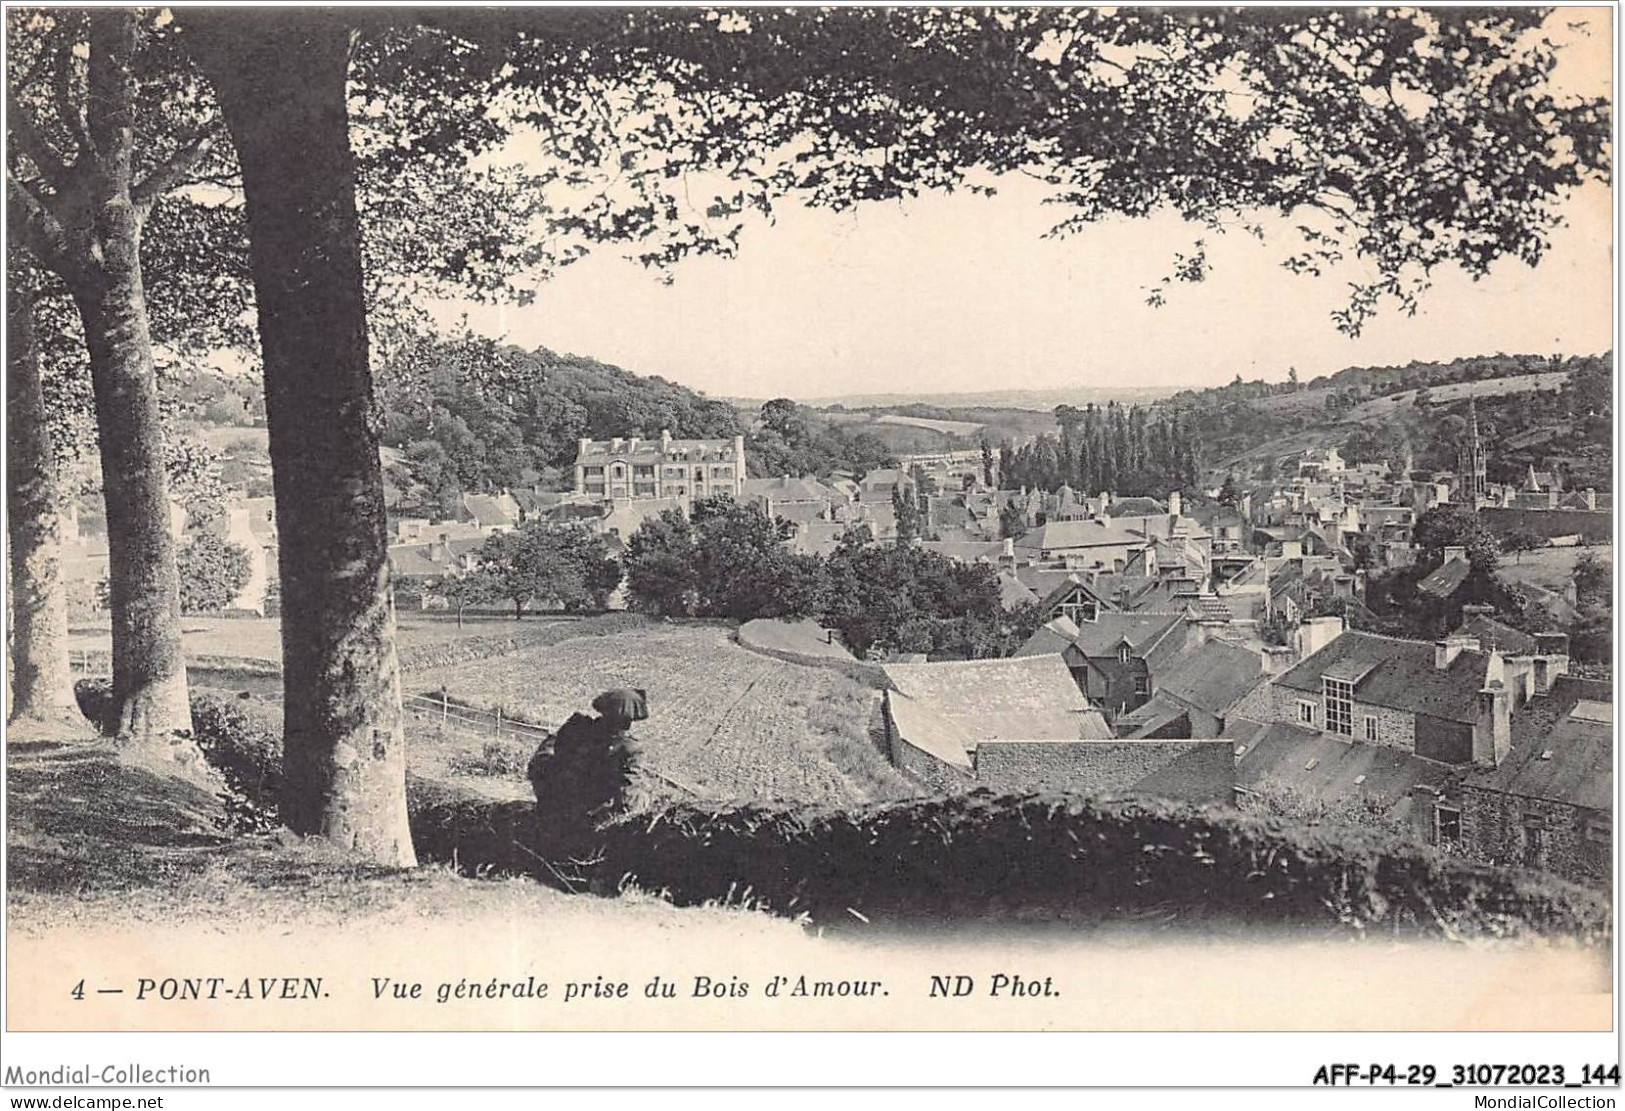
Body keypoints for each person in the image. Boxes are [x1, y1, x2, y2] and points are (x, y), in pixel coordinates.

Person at [528, 689, 648, 848]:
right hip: (588, 813)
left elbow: (542, 760)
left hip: (556, 800)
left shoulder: (578, 728)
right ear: (629, 720)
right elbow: (627, 796)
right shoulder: (630, 748)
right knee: (643, 797)